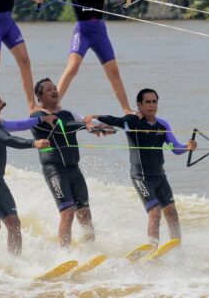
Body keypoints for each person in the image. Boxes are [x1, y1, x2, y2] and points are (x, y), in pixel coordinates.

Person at [84, 88, 196, 248]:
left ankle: (177, 247)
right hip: (141, 177)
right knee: (155, 212)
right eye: (148, 102)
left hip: (159, 177)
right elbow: (115, 120)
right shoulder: (132, 121)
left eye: (154, 101)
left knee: (172, 213)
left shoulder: (162, 125)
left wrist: (187, 146)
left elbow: (174, 148)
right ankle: (153, 248)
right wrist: (96, 117)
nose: (152, 105)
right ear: (139, 104)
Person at [38, 0, 135, 114]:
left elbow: (112, 2)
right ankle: (53, 106)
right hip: (82, 32)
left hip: (100, 32)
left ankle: (126, 109)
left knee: (114, 72)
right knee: (72, 68)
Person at [0, 89, 55, 266]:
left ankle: (15, 264)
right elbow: (6, 139)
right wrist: (33, 143)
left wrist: (41, 119)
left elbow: (19, 124)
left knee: (14, 223)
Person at [30, 77, 113, 248]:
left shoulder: (68, 113)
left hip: (74, 169)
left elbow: (88, 122)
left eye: (55, 88)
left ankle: (90, 250)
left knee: (84, 213)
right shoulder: (37, 117)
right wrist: (84, 125)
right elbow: (62, 126)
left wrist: (103, 126)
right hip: (55, 170)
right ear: (40, 96)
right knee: (67, 212)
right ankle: (64, 254)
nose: (54, 91)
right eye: (48, 89)